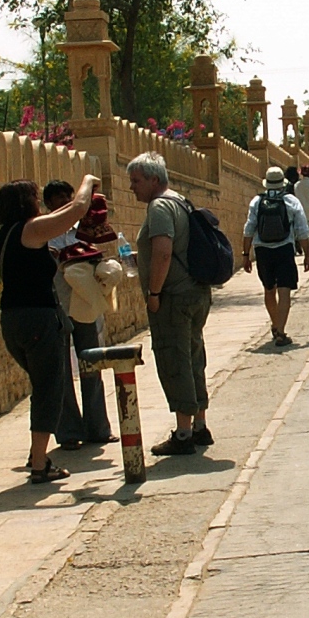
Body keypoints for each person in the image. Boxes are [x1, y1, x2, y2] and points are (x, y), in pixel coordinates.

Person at [0, 173, 98, 484]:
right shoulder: (32, 229)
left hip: (12, 320)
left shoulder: (8, 233)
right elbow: (77, 210)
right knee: (49, 389)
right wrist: (89, 181)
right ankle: (40, 462)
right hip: (37, 320)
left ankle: (36, 451)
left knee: (43, 386)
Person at [128, 152, 213, 456]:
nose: (132, 187)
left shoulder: (160, 206)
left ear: (154, 179)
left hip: (174, 297)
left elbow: (163, 253)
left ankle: (183, 433)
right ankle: (200, 425)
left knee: (174, 359)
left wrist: (153, 293)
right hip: (195, 292)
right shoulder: (180, 200)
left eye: (136, 181)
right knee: (193, 356)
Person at [42, 180, 113, 449]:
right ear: (48, 204)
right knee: (60, 368)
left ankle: (98, 427)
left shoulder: (84, 227)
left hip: (84, 302)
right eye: (56, 200)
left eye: (66, 198)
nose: (61, 204)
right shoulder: (45, 229)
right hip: (58, 303)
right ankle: (69, 432)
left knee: (91, 362)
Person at [243, 165, 309, 347]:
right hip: (284, 248)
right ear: (283, 183)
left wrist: (245, 254)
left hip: (262, 251)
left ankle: (275, 324)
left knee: (269, 289)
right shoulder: (290, 201)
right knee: (284, 290)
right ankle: (281, 331)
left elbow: (249, 228)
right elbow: (302, 230)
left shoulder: (256, 202)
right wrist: (307, 254)